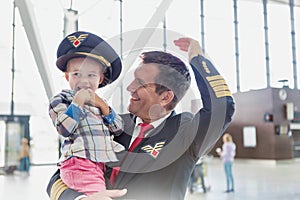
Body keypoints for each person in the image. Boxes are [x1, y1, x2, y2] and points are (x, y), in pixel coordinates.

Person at [47, 37, 235, 200]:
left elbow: (223, 106)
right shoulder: (111, 123)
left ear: (165, 97)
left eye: (141, 83)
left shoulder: (184, 132)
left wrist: (197, 58)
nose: (130, 87)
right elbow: (59, 176)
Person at [48, 31, 125, 196]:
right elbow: (64, 129)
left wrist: (103, 106)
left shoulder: (100, 103)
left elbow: (118, 128)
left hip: (98, 166)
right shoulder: (61, 99)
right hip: (79, 165)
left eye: (91, 75)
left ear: (100, 78)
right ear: (67, 76)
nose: (84, 80)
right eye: (76, 74)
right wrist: (78, 103)